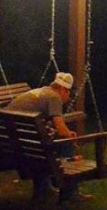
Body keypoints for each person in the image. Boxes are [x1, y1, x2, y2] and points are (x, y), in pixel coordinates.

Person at [6, 72, 92, 203]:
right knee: (66, 143)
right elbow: (60, 126)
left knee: (43, 148)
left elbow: (43, 126)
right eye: (68, 93)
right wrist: (69, 136)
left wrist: (65, 132)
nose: (68, 97)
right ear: (63, 89)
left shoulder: (41, 91)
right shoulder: (54, 97)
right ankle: (70, 191)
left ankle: (44, 189)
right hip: (25, 142)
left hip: (11, 140)